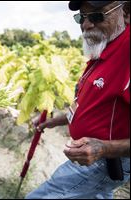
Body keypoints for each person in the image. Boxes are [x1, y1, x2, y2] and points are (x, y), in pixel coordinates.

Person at [25, 1, 130, 199]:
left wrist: (104, 148)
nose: (87, 24)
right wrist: (53, 121)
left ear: (126, 12)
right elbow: (93, 106)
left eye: (97, 16)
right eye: (82, 17)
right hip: (95, 158)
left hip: (105, 161)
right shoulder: (104, 48)